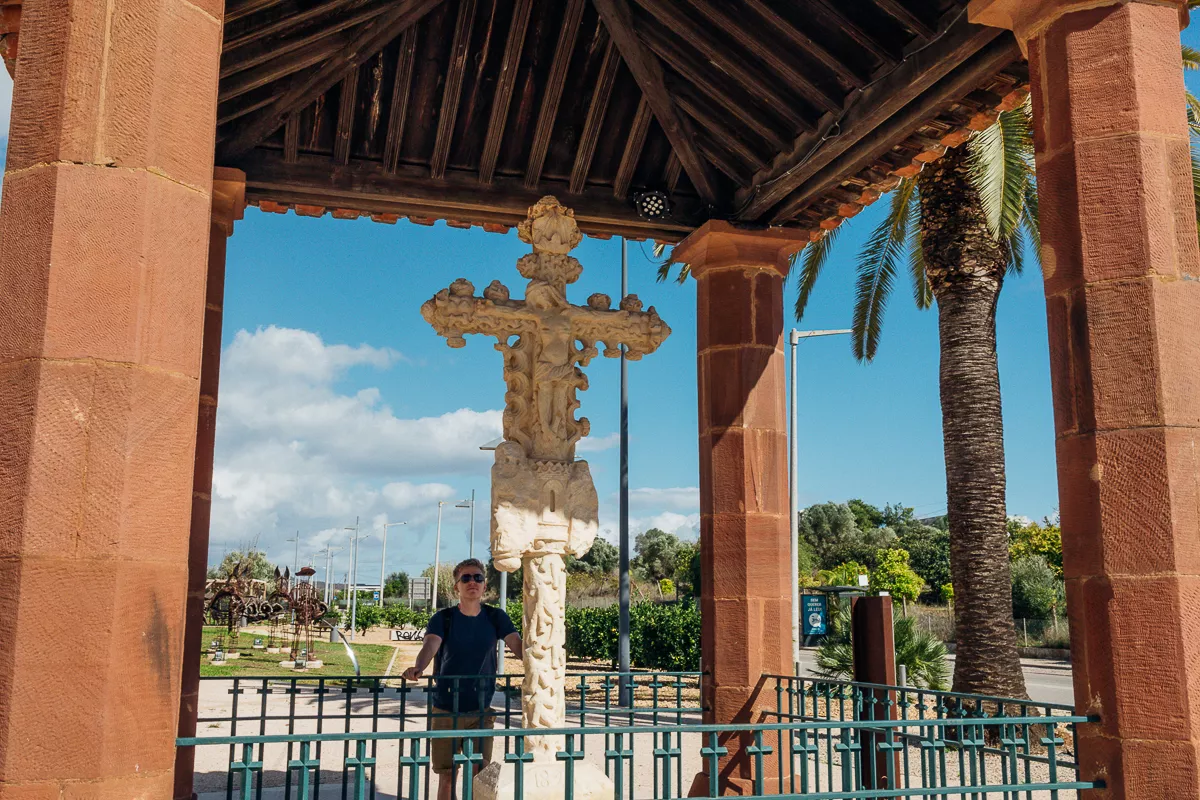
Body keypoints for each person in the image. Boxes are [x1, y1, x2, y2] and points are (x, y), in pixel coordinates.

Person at [403, 558, 521, 800]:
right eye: (465, 578)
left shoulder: (495, 617)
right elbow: (430, 645)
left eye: (477, 577)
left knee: (481, 771)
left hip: (481, 709)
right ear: (456, 586)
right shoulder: (443, 617)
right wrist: (418, 667)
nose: (472, 582)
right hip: (446, 709)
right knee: (448, 775)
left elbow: (518, 647)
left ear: (485, 585)